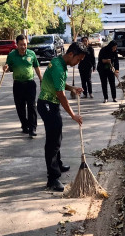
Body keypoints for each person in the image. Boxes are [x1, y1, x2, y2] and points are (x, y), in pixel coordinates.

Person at [37, 42, 86, 192]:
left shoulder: (59, 61)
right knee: (53, 141)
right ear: (71, 54)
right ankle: (52, 178)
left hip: (51, 104)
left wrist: (72, 88)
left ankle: (57, 164)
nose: (78, 63)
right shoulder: (58, 67)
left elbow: (60, 84)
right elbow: (60, 94)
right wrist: (73, 115)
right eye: (78, 60)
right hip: (47, 105)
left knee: (57, 136)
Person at [3, 35, 42, 138]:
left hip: (30, 84)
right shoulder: (12, 55)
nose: (23, 47)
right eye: (21, 45)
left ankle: (32, 128)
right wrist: (5, 68)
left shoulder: (31, 54)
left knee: (32, 106)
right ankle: (25, 125)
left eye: (24, 44)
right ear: (17, 45)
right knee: (20, 107)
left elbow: (36, 67)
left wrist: (41, 79)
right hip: (18, 85)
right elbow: (7, 68)